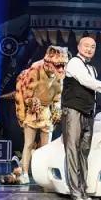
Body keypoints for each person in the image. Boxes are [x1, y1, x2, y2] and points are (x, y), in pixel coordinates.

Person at [61, 36, 101, 200]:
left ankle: (83, 191)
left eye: (93, 46)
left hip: (88, 112)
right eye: (86, 46)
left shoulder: (92, 68)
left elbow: (91, 90)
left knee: (84, 152)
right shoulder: (74, 63)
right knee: (72, 150)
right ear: (79, 47)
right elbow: (87, 82)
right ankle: (75, 193)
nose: (89, 49)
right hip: (73, 111)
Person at [14, 45, 68, 184]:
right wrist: (32, 102)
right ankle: (24, 173)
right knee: (29, 144)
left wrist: (57, 109)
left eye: (63, 65)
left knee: (45, 147)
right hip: (32, 110)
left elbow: (57, 97)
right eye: (58, 65)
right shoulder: (35, 69)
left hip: (46, 111)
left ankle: (43, 175)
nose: (61, 68)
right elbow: (26, 94)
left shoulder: (59, 76)